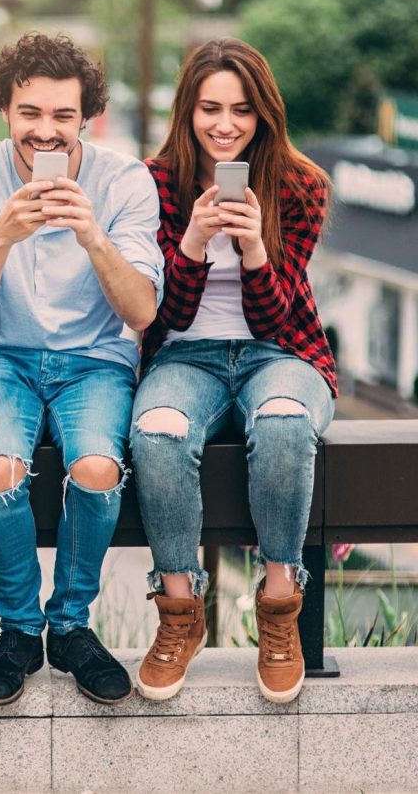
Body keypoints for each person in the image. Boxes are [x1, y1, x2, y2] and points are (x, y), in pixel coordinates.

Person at [0, 32, 163, 707]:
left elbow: (142, 310)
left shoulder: (123, 180)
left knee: (97, 469)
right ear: (6, 109)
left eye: (63, 117)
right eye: (30, 112)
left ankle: (70, 624)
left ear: (87, 118)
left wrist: (93, 234)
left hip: (94, 359)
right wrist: (0, 236)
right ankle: (18, 628)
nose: (46, 131)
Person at [132, 38, 336, 705]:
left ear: (264, 115)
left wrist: (252, 247)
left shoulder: (300, 185)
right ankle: (179, 610)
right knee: (158, 430)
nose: (225, 124)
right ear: (187, 110)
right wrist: (191, 240)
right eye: (210, 108)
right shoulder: (153, 183)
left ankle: (281, 607)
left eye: (242, 110)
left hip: (280, 354)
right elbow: (162, 310)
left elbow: (277, 321)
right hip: (184, 352)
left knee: (282, 422)